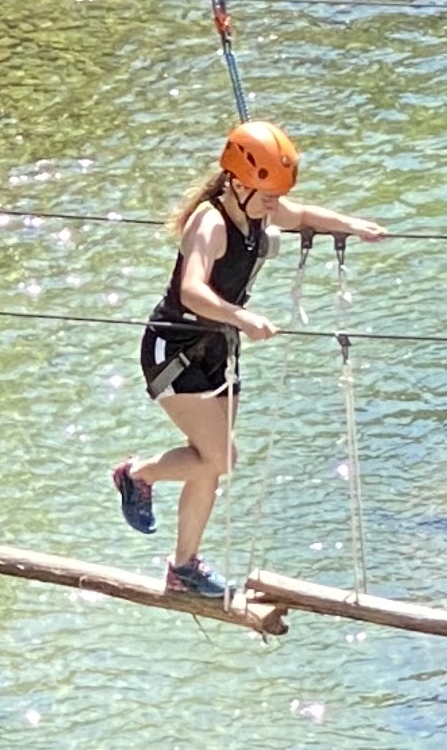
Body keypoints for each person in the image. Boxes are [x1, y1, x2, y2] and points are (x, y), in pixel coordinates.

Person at [112, 119, 384, 600]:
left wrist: (350, 225)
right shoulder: (210, 222)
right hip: (174, 349)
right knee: (221, 457)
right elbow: (191, 290)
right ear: (238, 184)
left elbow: (302, 215)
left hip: (218, 348)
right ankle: (136, 474)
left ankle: (184, 567)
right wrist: (243, 317)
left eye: (277, 197)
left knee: (208, 462)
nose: (274, 206)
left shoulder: (259, 209)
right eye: (268, 196)